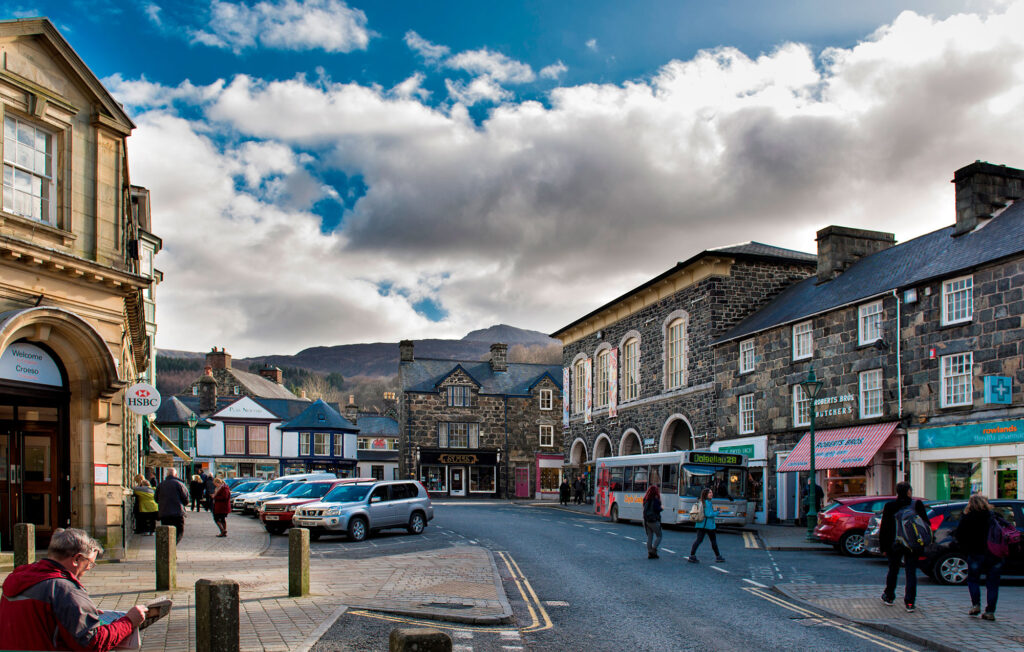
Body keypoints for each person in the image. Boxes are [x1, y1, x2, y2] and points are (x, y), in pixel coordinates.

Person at [0, 528, 147, 651]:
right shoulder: (64, 589)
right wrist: (128, 621)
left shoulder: (16, 579)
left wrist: (82, 613)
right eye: (89, 563)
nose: (88, 569)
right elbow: (93, 642)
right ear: (77, 559)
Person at [879, 481, 929, 612]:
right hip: (912, 544)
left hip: (895, 544)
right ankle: (910, 602)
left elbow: (885, 528)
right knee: (911, 572)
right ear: (908, 492)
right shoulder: (916, 504)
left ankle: (889, 596)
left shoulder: (890, 506)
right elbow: (925, 524)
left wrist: (883, 547)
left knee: (893, 570)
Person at [953, 494, 1003, 621]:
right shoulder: (994, 517)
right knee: (992, 584)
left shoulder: (967, 518)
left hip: (975, 553)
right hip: (994, 554)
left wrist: (966, 550)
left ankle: (976, 605)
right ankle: (990, 611)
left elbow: (959, 536)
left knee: (973, 580)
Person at [688, 487, 725, 563]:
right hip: (708, 525)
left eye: (711, 492)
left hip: (700, 524)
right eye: (710, 493)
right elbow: (709, 514)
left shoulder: (700, 501)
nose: (712, 494)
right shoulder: (707, 503)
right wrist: (718, 512)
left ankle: (692, 556)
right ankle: (718, 557)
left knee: (698, 540)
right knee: (713, 541)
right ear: (706, 494)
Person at [156, 467, 188, 544]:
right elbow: (186, 499)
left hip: (164, 513)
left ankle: (168, 549)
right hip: (177, 513)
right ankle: (172, 547)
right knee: (179, 532)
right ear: (176, 475)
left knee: (166, 532)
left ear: (166, 475)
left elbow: (156, 498)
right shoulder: (180, 484)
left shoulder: (161, 484)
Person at [642, 471, 663, 559]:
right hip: (654, 520)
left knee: (650, 537)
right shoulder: (655, 500)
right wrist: (661, 508)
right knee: (659, 535)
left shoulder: (646, 499)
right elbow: (657, 509)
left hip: (646, 520)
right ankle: (654, 550)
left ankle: (650, 552)